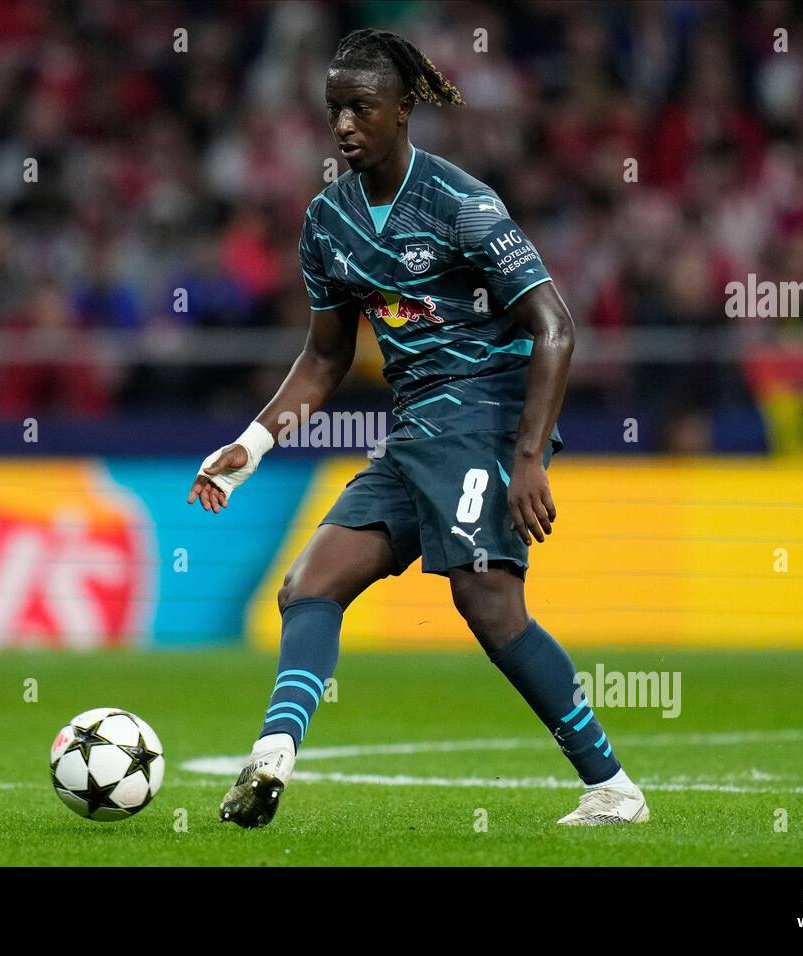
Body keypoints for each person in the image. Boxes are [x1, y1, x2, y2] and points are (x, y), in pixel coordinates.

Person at [188, 28, 648, 828]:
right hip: (413, 430)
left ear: (404, 109)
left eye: (360, 108)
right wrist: (252, 445)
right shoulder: (326, 223)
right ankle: (270, 760)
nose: (342, 126)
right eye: (333, 110)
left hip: (486, 414)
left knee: (487, 604)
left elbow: (557, 327)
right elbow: (326, 358)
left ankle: (612, 788)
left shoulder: (463, 205)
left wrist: (529, 455)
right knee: (308, 586)